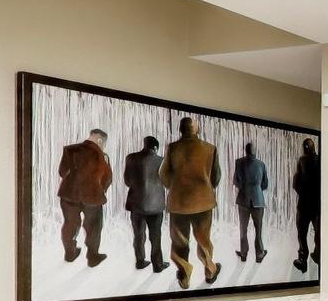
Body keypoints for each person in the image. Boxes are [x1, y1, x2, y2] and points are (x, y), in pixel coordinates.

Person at [159, 115, 222, 289]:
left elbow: (163, 175)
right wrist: (206, 187)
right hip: (203, 201)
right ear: (197, 129)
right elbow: (216, 177)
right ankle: (210, 271)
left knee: (179, 242)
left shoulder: (172, 148)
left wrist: (176, 187)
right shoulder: (210, 148)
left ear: (181, 130)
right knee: (204, 239)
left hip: (179, 202)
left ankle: (185, 274)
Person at [57, 128, 112, 267]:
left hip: (69, 195)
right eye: (103, 143)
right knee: (93, 227)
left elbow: (62, 172)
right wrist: (100, 189)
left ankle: (70, 253)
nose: (103, 146)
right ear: (99, 140)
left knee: (70, 224)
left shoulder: (69, 149)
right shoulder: (102, 155)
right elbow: (107, 179)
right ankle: (93, 257)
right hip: (92, 197)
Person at [123, 135, 169, 273]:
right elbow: (167, 183)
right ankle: (157, 265)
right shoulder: (162, 161)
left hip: (136, 204)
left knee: (138, 235)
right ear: (155, 147)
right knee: (155, 237)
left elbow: (127, 181)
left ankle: (140, 261)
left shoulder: (131, 158)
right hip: (155, 206)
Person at [232, 141, 269, 263]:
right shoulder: (262, 164)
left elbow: (236, 181)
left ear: (245, 150)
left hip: (243, 200)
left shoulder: (239, 162)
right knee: (258, 229)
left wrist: (245, 188)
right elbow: (265, 184)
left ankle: (243, 254)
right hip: (258, 200)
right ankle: (259, 254)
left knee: (243, 228)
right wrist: (256, 189)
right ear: (255, 151)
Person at [293, 138, 320, 274]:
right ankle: (318, 254)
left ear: (304, 148)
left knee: (302, 233)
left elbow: (296, 183)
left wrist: (303, 192)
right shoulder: (320, 160)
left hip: (304, 204)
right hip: (317, 205)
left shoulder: (302, 161)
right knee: (318, 232)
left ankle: (303, 260)